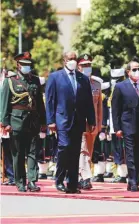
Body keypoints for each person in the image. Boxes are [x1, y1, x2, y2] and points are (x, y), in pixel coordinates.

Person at [45, 51, 96, 194]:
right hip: (62, 119)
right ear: (64, 61)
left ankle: (72, 183)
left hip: (78, 120)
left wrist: (91, 120)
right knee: (64, 147)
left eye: (74, 59)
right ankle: (59, 179)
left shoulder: (83, 79)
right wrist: (50, 121)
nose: (72, 61)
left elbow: (88, 102)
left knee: (75, 151)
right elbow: (50, 101)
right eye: (70, 59)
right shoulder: (55, 77)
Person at [0, 52, 46, 192]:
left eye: (29, 65)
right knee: (18, 153)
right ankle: (20, 181)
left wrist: (44, 121)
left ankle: (32, 181)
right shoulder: (10, 81)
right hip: (16, 121)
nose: (27, 67)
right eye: (24, 65)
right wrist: (4, 122)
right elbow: (4, 103)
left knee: (33, 152)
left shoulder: (35, 80)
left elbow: (39, 103)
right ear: (18, 65)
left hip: (33, 121)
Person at [111, 60, 139, 192]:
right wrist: (117, 127)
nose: (137, 71)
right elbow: (116, 109)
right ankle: (132, 180)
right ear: (128, 72)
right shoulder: (120, 86)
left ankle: (134, 179)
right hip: (127, 124)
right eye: (134, 69)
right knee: (129, 153)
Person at [76, 54, 103, 190]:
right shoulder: (75, 82)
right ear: (78, 67)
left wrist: (99, 125)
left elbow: (99, 107)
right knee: (83, 150)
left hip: (93, 124)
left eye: (89, 65)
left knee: (89, 151)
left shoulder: (96, 84)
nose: (87, 68)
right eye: (84, 65)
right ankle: (86, 178)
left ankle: (80, 177)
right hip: (79, 122)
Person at [0, 66, 15, 186]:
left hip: (6, 122)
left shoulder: (7, 84)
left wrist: (4, 121)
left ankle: (12, 176)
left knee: (9, 150)